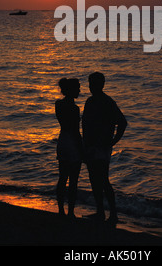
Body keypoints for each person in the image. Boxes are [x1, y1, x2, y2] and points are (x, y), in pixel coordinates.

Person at [82, 72, 127, 225]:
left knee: (103, 180)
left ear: (101, 85)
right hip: (90, 147)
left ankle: (113, 214)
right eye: (90, 83)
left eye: (93, 83)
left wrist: (113, 141)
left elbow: (122, 123)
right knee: (94, 180)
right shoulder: (90, 102)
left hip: (101, 148)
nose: (91, 86)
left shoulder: (108, 102)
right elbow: (85, 126)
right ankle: (100, 212)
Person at [55, 77, 83, 219]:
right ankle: (70, 211)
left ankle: (60, 210)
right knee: (73, 180)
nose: (79, 90)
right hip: (72, 143)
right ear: (71, 90)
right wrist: (82, 148)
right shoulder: (74, 108)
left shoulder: (58, 104)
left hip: (63, 141)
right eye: (77, 88)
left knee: (62, 177)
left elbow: (64, 125)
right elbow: (75, 131)